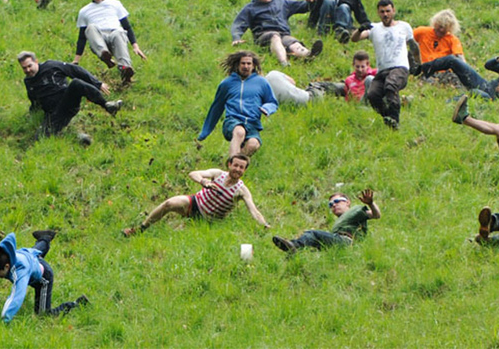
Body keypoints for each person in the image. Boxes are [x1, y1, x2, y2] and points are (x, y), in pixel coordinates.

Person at [122, 154, 270, 236]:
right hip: (194, 203)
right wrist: (203, 181)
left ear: (245, 170)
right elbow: (193, 173)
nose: (237, 169)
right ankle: (141, 229)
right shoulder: (218, 174)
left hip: (209, 221)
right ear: (229, 165)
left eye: (241, 167)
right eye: (235, 165)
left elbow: (253, 210)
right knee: (169, 204)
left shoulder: (241, 190)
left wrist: (264, 225)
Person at [0, 231, 89, 323]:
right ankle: (45, 238)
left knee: (43, 315)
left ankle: (77, 304)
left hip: (42, 276)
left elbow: (17, 295)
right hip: (29, 254)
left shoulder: (20, 270)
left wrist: (6, 318)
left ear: (6, 267)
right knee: (35, 252)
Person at [17, 50, 123, 138]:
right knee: (40, 137)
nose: (28, 70)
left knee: (76, 83)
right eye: (24, 68)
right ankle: (77, 137)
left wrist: (97, 84)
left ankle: (107, 105)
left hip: (67, 102)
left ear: (36, 61)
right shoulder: (28, 82)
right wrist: (32, 116)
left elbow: (75, 70)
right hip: (53, 114)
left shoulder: (51, 66)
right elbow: (34, 101)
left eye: (29, 66)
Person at [351, 0, 420, 129]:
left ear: (393, 10)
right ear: (378, 12)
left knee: (390, 86)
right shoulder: (374, 28)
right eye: (382, 12)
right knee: (373, 94)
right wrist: (360, 29)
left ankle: (395, 120)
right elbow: (354, 39)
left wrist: (418, 65)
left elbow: (413, 46)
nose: (385, 14)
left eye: (388, 11)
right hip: (382, 71)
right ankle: (387, 118)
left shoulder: (404, 26)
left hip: (399, 68)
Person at [198, 51, 278, 157]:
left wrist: (267, 108)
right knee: (240, 132)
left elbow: (272, 102)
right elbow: (216, 108)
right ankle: (232, 167)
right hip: (233, 121)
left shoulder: (262, 83)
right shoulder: (227, 84)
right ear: (237, 65)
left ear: (253, 65)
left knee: (253, 144)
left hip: (252, 123)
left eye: (249, 63)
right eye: (243, 63)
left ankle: (235, 166)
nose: (246, 66)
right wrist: (204, 132)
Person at [231, 0, 322, 66]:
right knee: (275, 36)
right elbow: (239, 24)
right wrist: (236, 38)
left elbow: (303, 6)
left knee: (292, 42)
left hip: (284, 34)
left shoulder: (282, 2)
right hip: (263, 36)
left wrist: (312, 0)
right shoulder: (250, 8)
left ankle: (308, 55)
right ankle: (283, 62)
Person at [73, 0, 147, 83]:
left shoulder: (115, 4)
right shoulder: (84, 11)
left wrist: (135, 46)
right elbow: (82, 37)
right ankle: (104, 55)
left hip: (114, 36)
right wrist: (76, 60)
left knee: (119, 32)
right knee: (90, 28)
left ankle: (125, 70)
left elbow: (127, 26)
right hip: (99, 38)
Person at [272, 189, 381, 253]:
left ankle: (294, 245)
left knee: (313, 234)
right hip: (339, 242)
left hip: (347, 241)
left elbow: (376, 215)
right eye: (331, 205)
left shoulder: (356, 210)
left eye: (337, 201)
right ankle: (293, 249)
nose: (334, 205)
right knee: (313, 242)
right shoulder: (339, 222)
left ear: (347, 202)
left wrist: (370, 203)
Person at [417, 47, 499, 100]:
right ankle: (422, 69)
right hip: (485, 85)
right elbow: (488, 66)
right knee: (453, 60)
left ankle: (447, 105)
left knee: (475, 93)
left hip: (492, 98)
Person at [412, 8, 464, 85]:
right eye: (439, 27)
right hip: (424, 71)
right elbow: (405, 39)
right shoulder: (422, 32)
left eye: (444, 29)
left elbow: (460, 58)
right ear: (435, 23)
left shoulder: (452, 40)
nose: (441, 30)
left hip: (444, 73)